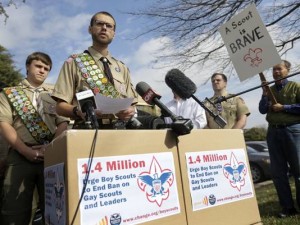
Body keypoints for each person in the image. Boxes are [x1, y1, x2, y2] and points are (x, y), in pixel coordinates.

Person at [0, 52, 69, 224]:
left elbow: (63, 123)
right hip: (20, 155)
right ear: (27, 67)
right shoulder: (9, 93)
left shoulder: (55, 96)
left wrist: (51, 148)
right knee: (15, 212)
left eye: (46, 68)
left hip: (51, 156)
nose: (42, 70)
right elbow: (4, 124)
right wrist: (25, 150)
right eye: (38, 66)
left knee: (56, 210)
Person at [52, 11, 138, 129]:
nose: (104, 28)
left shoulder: (122, 68)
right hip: (87, 130)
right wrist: (78, 111)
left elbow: (132, 105)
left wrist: (129, 111)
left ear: (113, 33)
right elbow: (60, 107)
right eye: (99, 24)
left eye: (109, 26)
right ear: (90, 29)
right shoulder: (74, 63)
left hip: (120, 131)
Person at [259, 60, 300, 218]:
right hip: (273, 133)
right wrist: (264, 94)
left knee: (298, 170)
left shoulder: (295, 87)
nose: (276, 72)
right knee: (278, 173)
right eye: (273, 69)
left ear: (287, 70)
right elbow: (262, 110)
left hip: (293, 131)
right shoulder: (269, 90)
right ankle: (287, 207)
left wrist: (285, 107)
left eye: (279, 69)